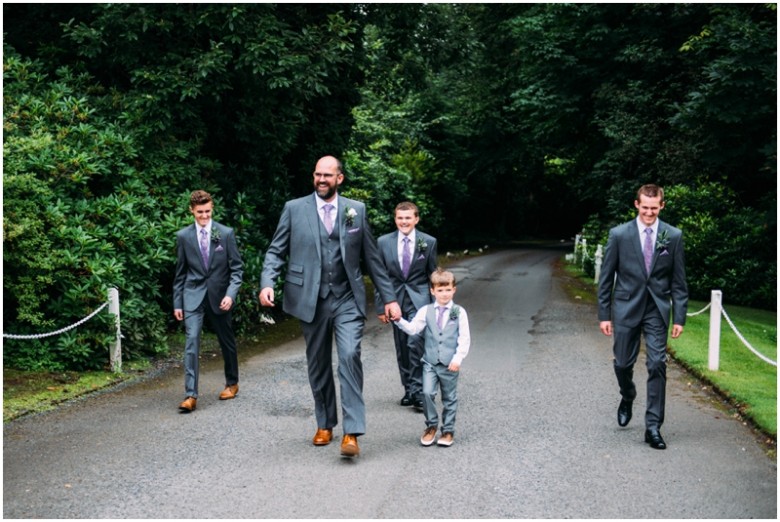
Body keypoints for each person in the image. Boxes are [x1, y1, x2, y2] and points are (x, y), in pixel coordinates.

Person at [258, 155, 401, 458]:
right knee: (318, 362)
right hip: (311, 298)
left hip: (347, 297)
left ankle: (352, 432)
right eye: (317, 175)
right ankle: (325, 423)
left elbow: (372, 258)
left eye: (328, 175)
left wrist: (388, 298)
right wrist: (267, 281)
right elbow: (276, 250)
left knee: (349, 355)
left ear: (340, 179)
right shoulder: (294, 209)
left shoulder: (356, 211)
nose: (322, 180)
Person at [597, 184, 688, 450]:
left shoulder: (673, 236)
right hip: (626, 307)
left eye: (654, 208)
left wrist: (679, 317)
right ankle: (628, 395)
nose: (649, 213)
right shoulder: (619, 235)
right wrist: (605, 314)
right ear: (637, 204)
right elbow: (606, 280)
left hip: (657, 309)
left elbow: (679, 281)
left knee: (657, 363)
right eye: (645, 207)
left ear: (662, 205)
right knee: (623, 364)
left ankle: (653, 427)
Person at [173, 190, 244, 412]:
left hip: (220, 297)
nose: (204, 216)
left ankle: (232, 383)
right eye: (199, 212)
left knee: (226, 341)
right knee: (191, 342)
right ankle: (190, 395)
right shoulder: (183, 237)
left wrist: (230, 295)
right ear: (191, 211)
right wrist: (177, 303)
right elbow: (180, 273)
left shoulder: (225, 233)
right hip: (192, 296)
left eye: (207, 211)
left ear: (212, 209)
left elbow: (237, 269)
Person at [393, 268, 471, 447]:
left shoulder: (459, 312)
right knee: (427, 393)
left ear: (454, 290)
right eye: (440, 290)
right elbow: (413, 329)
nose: (444, 294)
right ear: (432, 291)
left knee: (449, 397)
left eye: (448, 290)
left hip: (450, 363)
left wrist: (458, 359)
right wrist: (398, 320)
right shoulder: (426, 311)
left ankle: (448, 430)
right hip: (429, 363)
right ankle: (431, 426)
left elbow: (464, 338)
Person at [375, 201, 438, 410]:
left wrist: (438, 305)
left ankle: (419, 391)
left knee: (415, 341)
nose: (404, 222)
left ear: (416, 219)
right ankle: (408, 389)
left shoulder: (428, 242)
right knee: (402, 345)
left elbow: (432, 274)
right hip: (394, 299)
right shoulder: (383, 242)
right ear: (395, 219)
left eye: (408, 218)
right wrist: (381, 305)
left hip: (420, 299)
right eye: (400, 218)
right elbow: (380, 275)